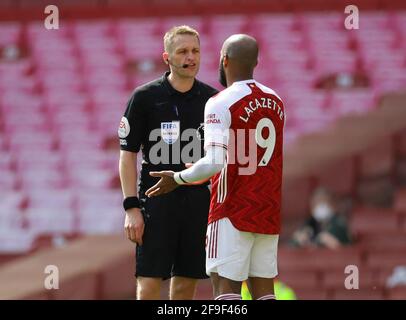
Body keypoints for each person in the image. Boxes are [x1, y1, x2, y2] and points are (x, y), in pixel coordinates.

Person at [146, 34, 285, 300]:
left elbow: (214, 161)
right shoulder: (276, 100)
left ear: (225, 60)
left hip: (232, 208)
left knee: (226, 289)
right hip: (267, 208)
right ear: (256, 61)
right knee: (264, 291)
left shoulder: (220, 102)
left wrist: (178, 177)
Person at [118, 25, 218, 300]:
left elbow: (220, 159)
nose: (191, 57)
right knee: (149, 284)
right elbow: (127, 156)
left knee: (186, 286)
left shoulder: (212, 101)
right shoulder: (145, 98)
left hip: (198, 205)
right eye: (183, 51)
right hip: (155, 204)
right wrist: (131, 208)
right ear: (167, 57)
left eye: (195, 51)